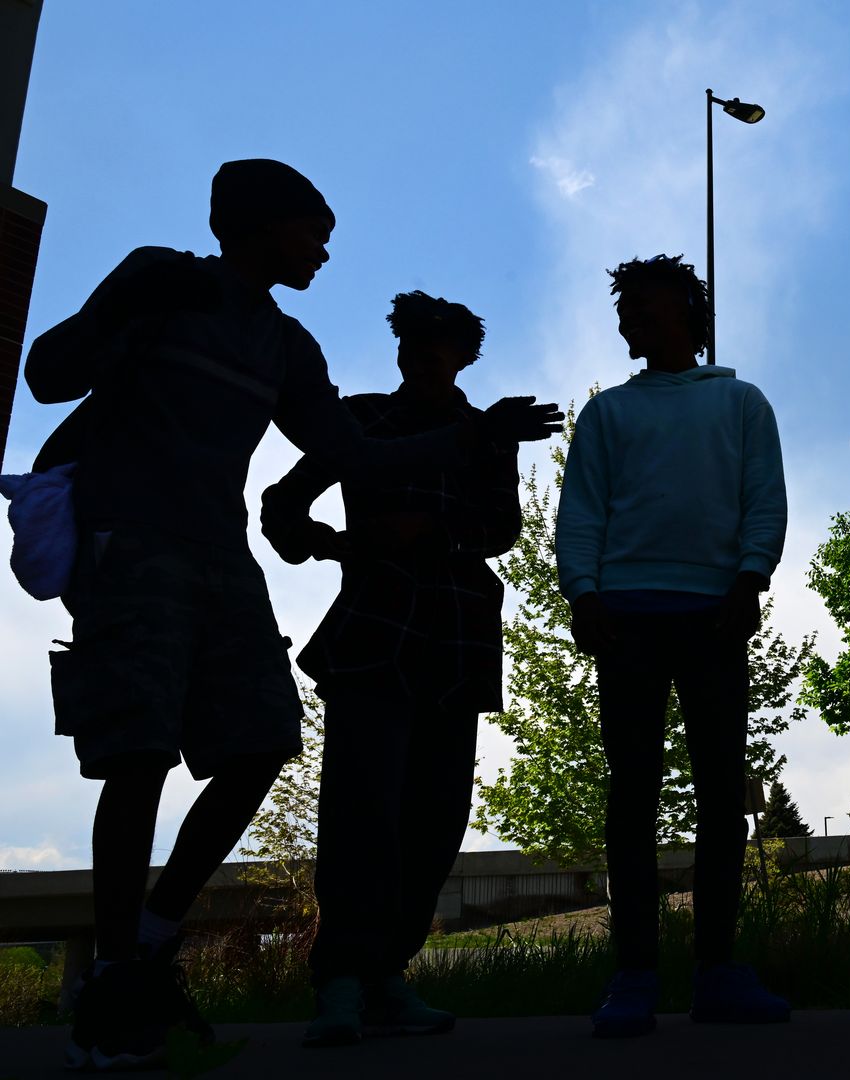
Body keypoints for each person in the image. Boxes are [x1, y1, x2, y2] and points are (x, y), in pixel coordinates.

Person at [22, 159, 561, 1070]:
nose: (325, 249)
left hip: (219, 560)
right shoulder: (160, 279)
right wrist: (113, 310)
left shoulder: (288, 345)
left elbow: (353, 454)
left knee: (264, 742)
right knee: (142, 754)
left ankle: (151, 939)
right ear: (263, 225)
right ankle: (115, 975)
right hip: (130, 546)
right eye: (315, 230)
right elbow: (46, 377)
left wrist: (475, 433)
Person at [260, 291, 519, 1047]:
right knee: (360, 810)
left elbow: (503, 527)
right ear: (400, 348)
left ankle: (387, 976)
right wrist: (339, 544)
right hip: (376, 629)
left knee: (436, 818)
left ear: (462, 355)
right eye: (412, 341)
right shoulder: (362, 418)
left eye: (438, 344)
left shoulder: (483, 432)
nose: (423, 353)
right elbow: (283, 503)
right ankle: (341, 979)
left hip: (458, 632)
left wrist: (430, 528)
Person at [557, 254, 790, 1037]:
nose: (637, 323)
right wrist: (582, 593)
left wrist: (749, 580)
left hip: (715, 615)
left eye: (651, 309)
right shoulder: (608, 415)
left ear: (690, 315)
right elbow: (582, 511)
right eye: (629, 313)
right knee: (634, 796)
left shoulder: (740, 402)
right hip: (625, 616)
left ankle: (718, 970)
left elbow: (764, 496)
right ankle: (635, 975)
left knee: (722, 794)